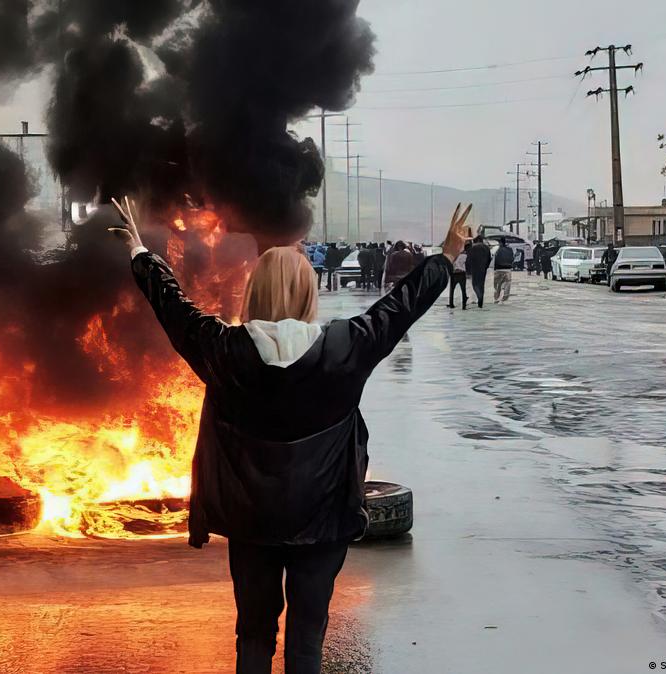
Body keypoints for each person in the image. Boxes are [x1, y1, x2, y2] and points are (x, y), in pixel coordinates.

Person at [110, 196, 473, 674]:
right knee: (307, 637)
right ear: (308, 294)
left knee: (254, 633)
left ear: (254, 291)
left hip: (251, 522)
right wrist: (445, 256)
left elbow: (171, 306)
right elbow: (399, 308)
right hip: (323, 521)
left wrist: (140, 251)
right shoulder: (347, 346)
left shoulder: (223, 350)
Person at [465, 235, 491, 308]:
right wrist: (486, 267)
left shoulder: (472, 248)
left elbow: (468, 259)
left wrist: (467, 270)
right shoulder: (486, 248)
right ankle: (481, 299)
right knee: (481, 284)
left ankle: (479, 297)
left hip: (475, 268)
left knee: (475, 284)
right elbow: (489, 259)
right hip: (483, 269)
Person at [448, 241, 469, 310]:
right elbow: (467, 265)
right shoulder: (465, 256)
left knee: (452, 290)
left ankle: (451, 304)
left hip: (453, 274)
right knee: (463, 290)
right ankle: (464, 306)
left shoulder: (452, 256)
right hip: (461, 274)